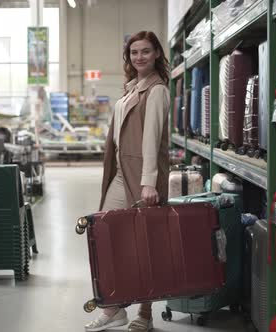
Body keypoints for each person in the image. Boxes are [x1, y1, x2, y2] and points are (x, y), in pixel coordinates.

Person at [84, 31, 170, 332]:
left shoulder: (156, 90)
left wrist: (149, 182)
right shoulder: (131, 89)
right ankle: (114, 308)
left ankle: (145, 314)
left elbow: (152, 140)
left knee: (145, 243)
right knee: (106, 231)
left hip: (142, 175)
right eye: (134, 52)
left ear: (156, 54)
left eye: (146, 51)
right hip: (121, 173)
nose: (139, 57)